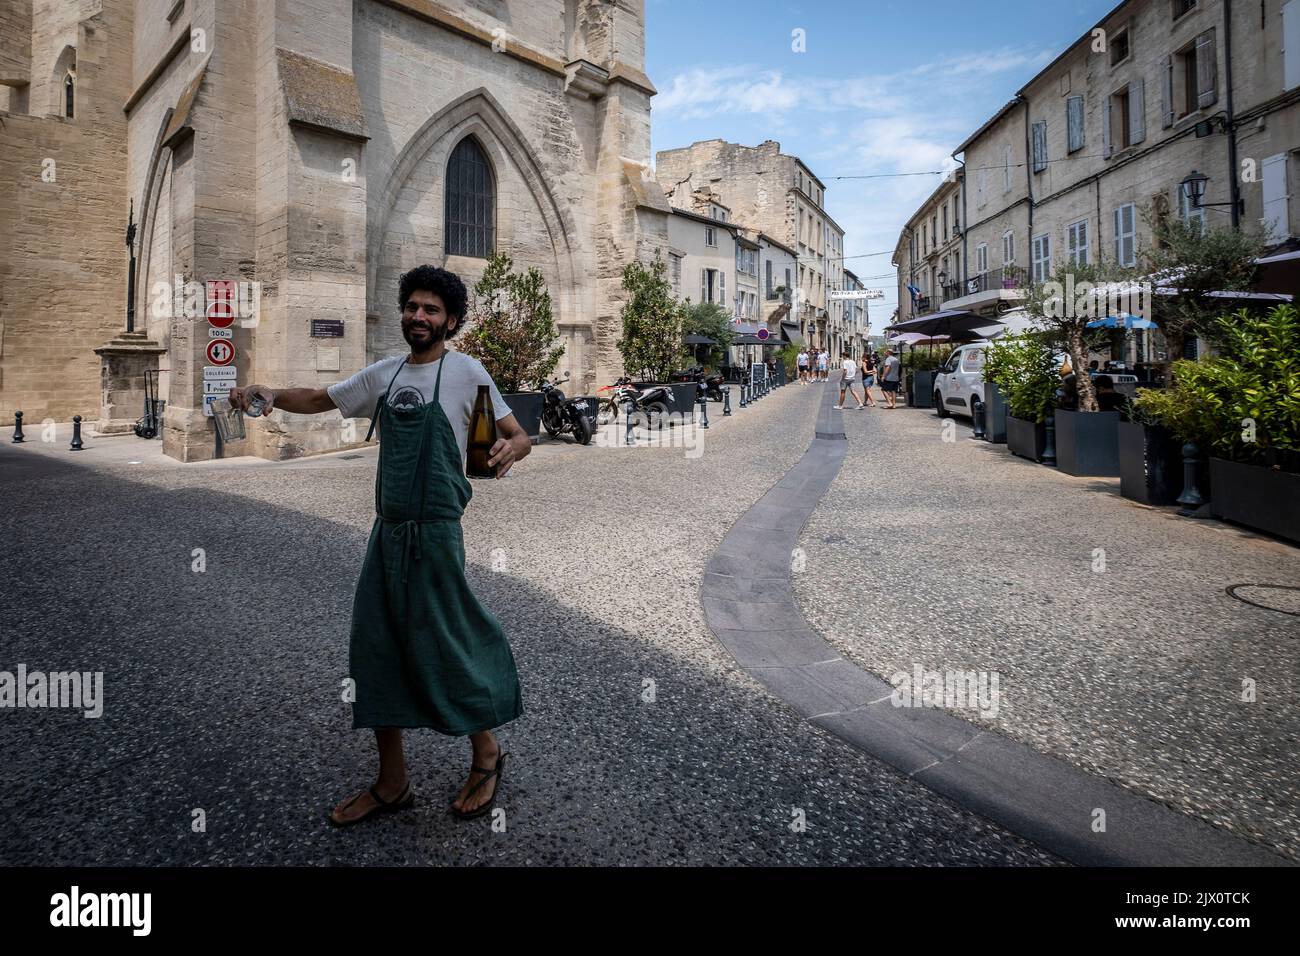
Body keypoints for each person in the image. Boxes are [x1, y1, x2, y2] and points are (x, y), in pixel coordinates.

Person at [229, 265, 531, 826]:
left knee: (444, 642)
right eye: (413, 307)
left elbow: (517, 435)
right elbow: (319, 396)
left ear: (452, 321)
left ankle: (486, 751)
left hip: (438, 534)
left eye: (432, 310)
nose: (419, 316)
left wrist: (514, 450)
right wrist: (269, 394)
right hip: (386, 532)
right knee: (376, 649)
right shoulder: (386, 376)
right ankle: (392, 782)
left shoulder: (466, 372)